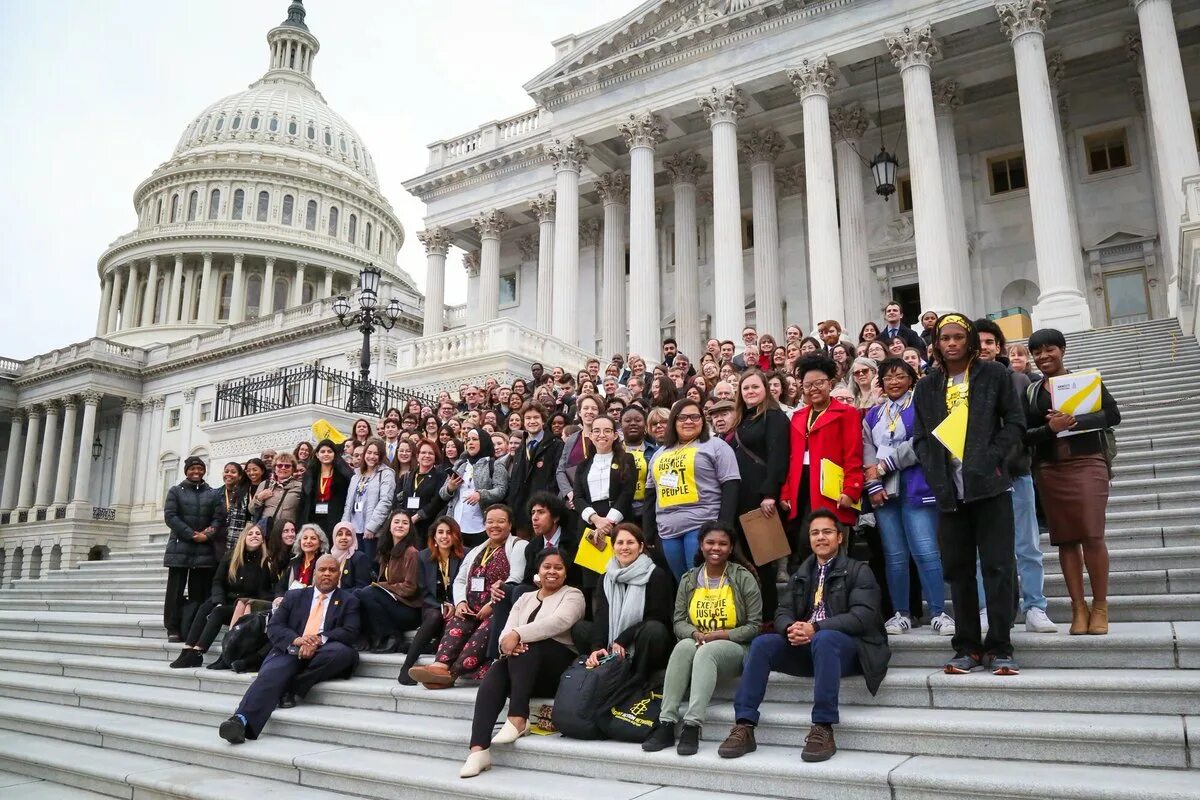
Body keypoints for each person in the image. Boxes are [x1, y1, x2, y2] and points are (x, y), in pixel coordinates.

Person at [718, 510, 890, 763]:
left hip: (851, 650)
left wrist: (816, 628)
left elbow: (862, 618)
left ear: (840, 537)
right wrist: (791, 628)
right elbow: (782, 611)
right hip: (811, 647)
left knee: (826, 638)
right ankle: (744, 725)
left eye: (827, 532)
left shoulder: (858, 571)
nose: (821, 537)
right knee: (763, 643)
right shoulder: (801, 573)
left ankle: (823, 727)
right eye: (815, 533)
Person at [912, 313, 1025, 676]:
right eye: (945, 338)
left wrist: (991, 458)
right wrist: (932, 468)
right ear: (937, 343)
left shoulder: (994, 375)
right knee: (958, 571)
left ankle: (1001, 646)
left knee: (997, 566)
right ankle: (967, 647)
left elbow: (1016, 423)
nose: (951, 343)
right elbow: (919, 438)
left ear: (971, 340)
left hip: (989, 487)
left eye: (958, 336)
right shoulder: (927, 385)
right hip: (949, 492)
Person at [1024, 328, 1121, 635]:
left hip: (1088, 462)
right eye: (1037, 352)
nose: (1043, 356)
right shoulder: (1031, 392)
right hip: (1050, 468)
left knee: (1092, 535)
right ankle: (1078, 608)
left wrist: (1075, 421)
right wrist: (1051, 428)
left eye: (1049, 349)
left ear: (1062, 350)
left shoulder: (1085, 382)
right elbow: (1023, 434)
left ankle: (1101, 606)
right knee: (1065, 540)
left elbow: (1113, 414)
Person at [459, 548, 585, 778]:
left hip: (555, 668)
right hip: (522, 669)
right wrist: (507, 643)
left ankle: (518, 716)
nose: (552, 572)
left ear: (566, 573)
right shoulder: (525, 597)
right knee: (498, 667)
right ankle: (478, 750)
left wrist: (517, 634)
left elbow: (559, 622)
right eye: (547, 566)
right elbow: (506, 630)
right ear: (538, 570)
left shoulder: (573, 595)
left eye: (558, 567)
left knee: (528, 646)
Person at [642, 522, 762, 756]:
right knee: (683, 647)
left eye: (722, 543)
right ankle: (666, 722)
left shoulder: (743, 578)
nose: (715, 547)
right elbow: (678, 622)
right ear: (701, 545)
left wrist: (720, 635)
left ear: (731, 548)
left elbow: (754, 626)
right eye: (710, 542)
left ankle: (691, 725)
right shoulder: (689, 579)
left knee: (707, 651)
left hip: (734, 647)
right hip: (698, 641)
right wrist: (695, 634)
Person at [218, 555, 361, 744]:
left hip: (324, 650)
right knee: (271, 673)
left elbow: (351, 631)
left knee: (344, 654)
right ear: (314, 573)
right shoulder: (294, 596)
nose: (327, 574)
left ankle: (290, 687)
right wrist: (298, 640)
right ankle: (240, 721)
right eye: (322, 570)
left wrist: (317, 640)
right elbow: (275, 626)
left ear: (338, 575)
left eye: (332, 570)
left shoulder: (349, 600)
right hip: (291, 648)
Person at [862, 358, 955, 636]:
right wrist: (873, 484)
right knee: (894, 556)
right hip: (884, 492)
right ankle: (900, 613)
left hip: (917, 486)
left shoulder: (921, 405)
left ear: (911, 378)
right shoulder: (873, 415)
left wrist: (886, 465)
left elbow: (922, 441)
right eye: (888, 378)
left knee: (926, 552)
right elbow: (867, 449)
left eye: (900, 376)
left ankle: (939, 612)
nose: (894, 382)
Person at [975, 318, 1056, 634]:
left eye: (989, 342)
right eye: (978, 342)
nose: (983, 347)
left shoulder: (1019, 381)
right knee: (986, 552)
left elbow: (1028, 428)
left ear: (999, 347)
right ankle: (987, 607)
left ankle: (1035, 606)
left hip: (1017, 473)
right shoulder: (961, 384)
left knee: (1027, 546)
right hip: (979, 479)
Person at [407, 505, 528, 688]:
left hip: (496, 609)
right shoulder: (476, 550)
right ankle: (440, 665)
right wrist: (461, 602)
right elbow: (460, 579)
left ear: (510, 525)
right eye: (490, 521)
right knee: (457, 622)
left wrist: (492, 604)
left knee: (483, 633)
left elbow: (515, 579)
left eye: (500, 521)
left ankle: (451, 673)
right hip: (471, 608)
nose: (494, 525)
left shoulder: (518, 546)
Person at [644, 399, 741, 579]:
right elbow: (651, 493)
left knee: (703, 581)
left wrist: (723, 527)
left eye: (695, 417)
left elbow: (731, 485)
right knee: (684, 584)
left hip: (702, 526)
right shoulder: (660, 453)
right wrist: (649, 532)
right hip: (667, 531)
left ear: (703, 421)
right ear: (674, 421)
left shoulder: (716, 446)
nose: (689, 421)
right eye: (682, 417)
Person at [780, 356, 863, 566]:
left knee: (832, 548)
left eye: (819, 383)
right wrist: (786, 492)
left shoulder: (847, 413)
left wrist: (851, 490)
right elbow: (791, 459)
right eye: (807, 385)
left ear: (830, 384)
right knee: (803, 545)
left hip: (831, 490)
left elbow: (853, 454)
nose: (813, 389)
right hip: (802, 489)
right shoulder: (798, 416)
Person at [171, 523, 274, 669]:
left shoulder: (265, 562)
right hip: (227, 599)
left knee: (218, 612)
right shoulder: (231, 557)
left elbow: (265, 590)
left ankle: (198, 652)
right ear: (243, 538)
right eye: (250, 534)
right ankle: (188, 649)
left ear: (263, 539)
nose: (254, 536)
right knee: (206, 606)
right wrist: (219, 600)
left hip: (243, 605)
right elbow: (218, 581)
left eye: (258, 534)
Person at [729, 370, 790, 613]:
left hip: (761, 497)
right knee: (749, 561)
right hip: (741, 497)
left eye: (755, 387)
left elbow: (778, 458)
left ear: (765, 389)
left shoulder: (774, 417)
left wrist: (770, 494)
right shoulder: (743, 419)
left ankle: (768, 615)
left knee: (764, 561)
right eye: (746, 388)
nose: (750, 392)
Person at [583, 523, 675, 681]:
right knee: (581, 629)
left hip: (643, 642)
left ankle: (637, 677)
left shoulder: (655, 574)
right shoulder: (606, 577)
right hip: (615, 642)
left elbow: (658, 617)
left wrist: (623, 639)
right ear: (613, 547)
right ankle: (602, 665)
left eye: (630, 542)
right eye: (620, 543)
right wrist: (597, 648)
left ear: (640, 547)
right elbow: (602, 616)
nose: (624, 547)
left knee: (654, 629)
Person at [398, 516, 465, 685]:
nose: (444, 536)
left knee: (451, 630)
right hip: (433, 607)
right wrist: (442, 606)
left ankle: (430, 647)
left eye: (449, 532)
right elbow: (423, 590)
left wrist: (456, 605)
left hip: (458, 607)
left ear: (456, 535)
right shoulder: (423, 556)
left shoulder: (466, 555)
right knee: (435, 616)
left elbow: (467, 585)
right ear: (434, 536)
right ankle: (406, 667)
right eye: (440, 532)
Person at [163, 456, 223, 642]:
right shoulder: (175, 491)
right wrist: (191, 534)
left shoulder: (212, 493)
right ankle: (172, 627)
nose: (196, 472)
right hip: (181, 546)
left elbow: (218, 518)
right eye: (192, 469)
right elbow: (171, 517)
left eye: (199, 469)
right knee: (175, 591)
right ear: (186, 471)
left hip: (203, 549)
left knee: (199, 592)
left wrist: (208, 534)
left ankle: (191, 627)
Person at [356, 511, 422, 653]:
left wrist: (382, 586)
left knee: (368, 592)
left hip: (409, 610)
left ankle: (393, 637)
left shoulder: (412, 553)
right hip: (393, 604)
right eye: (396, 522)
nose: (400, 525)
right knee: (357, 594)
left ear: (410, 528)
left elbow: (410, 588)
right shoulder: (387, 552)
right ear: (390, 526)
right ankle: (367, 638)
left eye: (405, 523)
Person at [441, 428, 508, 549]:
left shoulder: (494, 464)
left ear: (484, 441)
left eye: (475, 439)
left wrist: (481, 494)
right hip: (456, 523)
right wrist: (450, 488)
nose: (470, 442)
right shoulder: (460, 464)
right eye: (468, 440)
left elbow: (501, 490)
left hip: (480, 526)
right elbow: (442, 493)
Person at [505, 402, 564, 531]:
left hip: (544, 510)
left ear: (543, 420)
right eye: (528, 418)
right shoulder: (521, 446)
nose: (532, 421)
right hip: (521, 513)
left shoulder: (556, 445)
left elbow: (557, 478)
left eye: (536, 417)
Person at [342, 438, 396, 566]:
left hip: (371, 532)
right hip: (354, 529)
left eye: (376, 454)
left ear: (381, 456)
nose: (371, 456)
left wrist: (372, 527)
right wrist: (345, 527)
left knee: (368, 566)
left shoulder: (386, 473)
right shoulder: (356, 475)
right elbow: (348, 503)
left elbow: (386, 502)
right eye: (369, 453)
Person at [557, 394, 605, 502]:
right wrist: (569, 492)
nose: (589, 411)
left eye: (594, 409)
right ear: (579, 412)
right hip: (571, 498)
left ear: (599, 413)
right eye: (585, 408)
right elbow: (560, 470)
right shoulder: (571, 439)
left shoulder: (605, 439)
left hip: (597, 498)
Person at [396, 439, 446, 541]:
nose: (427, 456)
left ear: (435, 457)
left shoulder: (440, 476)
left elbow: (437, 501)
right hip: (407, 527)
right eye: (423, 452)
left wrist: (418, 516)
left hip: (428, 528)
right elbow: (398, 500)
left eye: (430, 453)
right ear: (417, 456)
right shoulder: (408, 476)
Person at [249, 452, 304, 543]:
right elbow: (252, 510)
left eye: (287, 466)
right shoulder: (265, 484)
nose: (283, 468)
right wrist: (259, 498)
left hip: (287, 534)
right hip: (265, 532)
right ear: (274, 468)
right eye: (279, 465)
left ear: (293, 469)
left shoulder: (300, 486)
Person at [301, 439, 353, 535]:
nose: (326, 454)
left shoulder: (343, 475)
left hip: (335, 517)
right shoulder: (310, 475)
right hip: (313, 518)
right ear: (317, 455)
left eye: (329, 451)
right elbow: (303, 500)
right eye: (322, 451)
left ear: (334, 454)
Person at [275, 523, 329, 598]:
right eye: (305, 538)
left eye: (313, 538)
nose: (308, 541)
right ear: (300, 542)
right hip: (291, 603)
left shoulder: (324, 563)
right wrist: (279, 598)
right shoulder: (293, 562)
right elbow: (280, 587)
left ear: (320, 542)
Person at [329, 521, 372, 592]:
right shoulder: (329, 558)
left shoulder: (359, 557)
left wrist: (338, 595)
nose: (344, 537)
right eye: (339, 534)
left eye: (348, 534)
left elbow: (362, 587)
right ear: (334, 537)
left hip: (350, 601)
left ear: (354, 537)